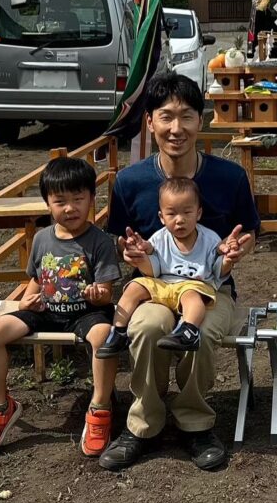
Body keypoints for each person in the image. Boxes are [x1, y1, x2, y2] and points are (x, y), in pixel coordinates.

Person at [99, 73, 259, 472]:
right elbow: (119, 237)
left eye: (186, 116)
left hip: (209, 289)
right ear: (149, 121)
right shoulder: (130, 181)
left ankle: (195, 423)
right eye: (166, 116)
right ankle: (143, 423)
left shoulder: (229, 177)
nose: (176, 128)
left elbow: (249, 232)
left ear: (200, 121)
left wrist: (238, 248)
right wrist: (129, 250)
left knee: (200, 333)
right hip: (153, 285)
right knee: (146, 327)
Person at [0, 157, 121, 459]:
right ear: (48, 204)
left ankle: (100, 408)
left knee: (105, 335)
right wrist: (26, 301)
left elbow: (107, 294)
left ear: (92, 198)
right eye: (60, 201)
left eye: (78, 199)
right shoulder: (42, 239)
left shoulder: (100, 242)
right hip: (47, 311)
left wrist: (98, 295)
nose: (70, 208)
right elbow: (36, 280)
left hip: (87, 312)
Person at [96, 177, 241, 357]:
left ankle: (189, 330)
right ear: (161, 217)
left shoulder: (210, 239)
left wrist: (227, 260)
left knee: (192, 297)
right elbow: (153, 270)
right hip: (163, 284)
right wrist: (142, 258)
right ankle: (118, 331)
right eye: (171, 214)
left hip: (194, 285)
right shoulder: (159, 238)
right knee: (134, 286)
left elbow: (218, 270)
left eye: (187, 212)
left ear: (198, 213)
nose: (180, 220)